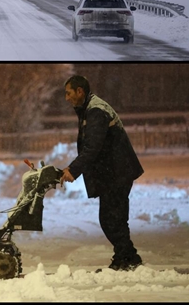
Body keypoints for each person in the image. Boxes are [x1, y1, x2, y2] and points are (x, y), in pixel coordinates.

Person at [59, 75, 145, 271]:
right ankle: (128, 257)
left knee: (111, 219)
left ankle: (127, 259)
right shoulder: (90, 108)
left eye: (68, 93)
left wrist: (73, 170)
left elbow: (93, 147)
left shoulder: (96, 111)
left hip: (117, 172)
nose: (66, 98)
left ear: (80, 91)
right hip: (114, 171)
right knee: (114, 218)